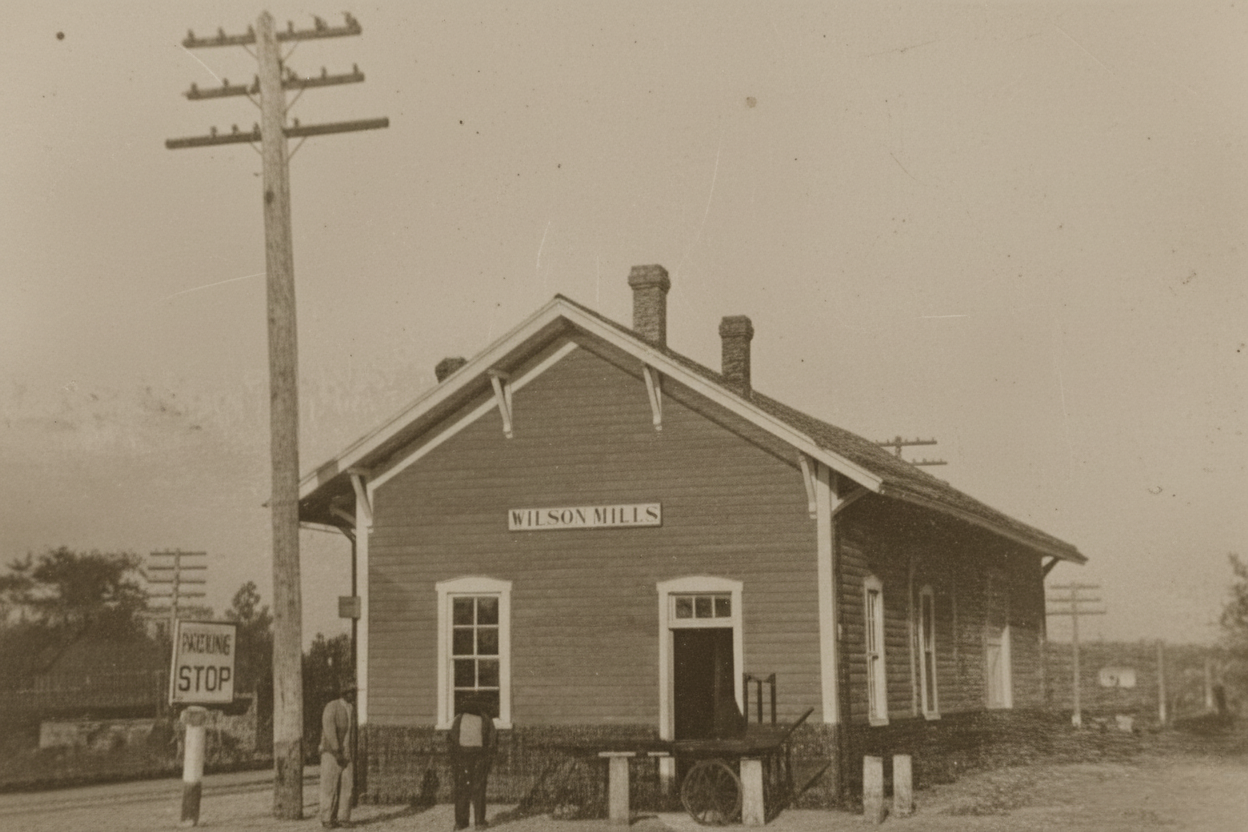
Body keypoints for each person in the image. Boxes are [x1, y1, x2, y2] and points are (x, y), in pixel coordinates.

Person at [447, 696, 497, 830]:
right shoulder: (485, 718)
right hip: (480, 756)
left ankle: (460, 822)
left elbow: (452, 738)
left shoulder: (459, 718)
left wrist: (455, 757)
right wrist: (488, 756)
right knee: (479, 788)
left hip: (462, 756)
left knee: (462, 787)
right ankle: (479, 822)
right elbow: (492, 740)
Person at [318, 683, 356, 829]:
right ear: (343, 693)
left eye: (353, 692)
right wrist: (336, 750)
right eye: (349, 692)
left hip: (347, 753)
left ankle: (343, 817)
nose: (352, 695)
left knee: (347, 786)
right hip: (331, 753)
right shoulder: (332, 707)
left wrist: (348, 752)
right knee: (329, 786)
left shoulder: (351, 709)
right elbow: (329, 729)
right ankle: (326, 818)